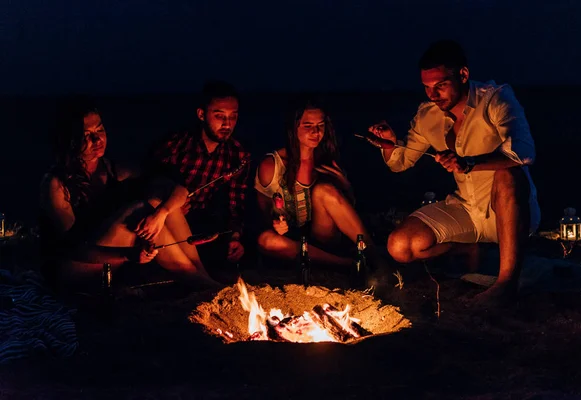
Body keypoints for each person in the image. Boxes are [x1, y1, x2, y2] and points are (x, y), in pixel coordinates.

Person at [370, 40, 540, 304]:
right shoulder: (428, 115)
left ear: (463, 74)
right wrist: (389, 144)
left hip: (509, 212)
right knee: (400, 246)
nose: (433, 95)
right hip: (466, 209)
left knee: (509, 174)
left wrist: (470, 163)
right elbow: (401, 163)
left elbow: (523, 153)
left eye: (440, 85)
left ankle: (506, 281)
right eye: (427, 87)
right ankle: (468, 250)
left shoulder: (495, 98)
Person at [39, 98, 220, 293]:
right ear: (71, 140)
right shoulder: (56, 184)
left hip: (108, 263)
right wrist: (128, 255)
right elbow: (73, 249)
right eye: (86, 135)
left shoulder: (112, 169)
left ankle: (203, 278)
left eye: (99, 130)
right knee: (139, 211)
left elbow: (177, 188)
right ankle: (203, 284)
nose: (97, 140)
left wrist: (161, 213)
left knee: (155, 203)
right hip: (71, 272)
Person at [255, 98, 383, 274]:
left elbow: (345, 210)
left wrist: (345, 186)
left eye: (320, 125)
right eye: (308, 125)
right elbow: (263, 214)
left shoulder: (325, 160)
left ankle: (374, 256)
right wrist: (275, 223)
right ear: (294, 128)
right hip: (291, 243)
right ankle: (348, 265)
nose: (316, 132)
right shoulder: (272, 165)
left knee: (323, 191)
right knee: (267, 241)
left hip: (323, 238)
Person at [147, 81, 250, 274]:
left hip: (200, 221)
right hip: (164, 216)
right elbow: (150, 182)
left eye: (233, 117)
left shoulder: (238, 155)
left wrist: (235, 236)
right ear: (202, 114)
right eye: (219, 116)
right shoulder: (176, 145)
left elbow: (236, 204)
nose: (227, 124)